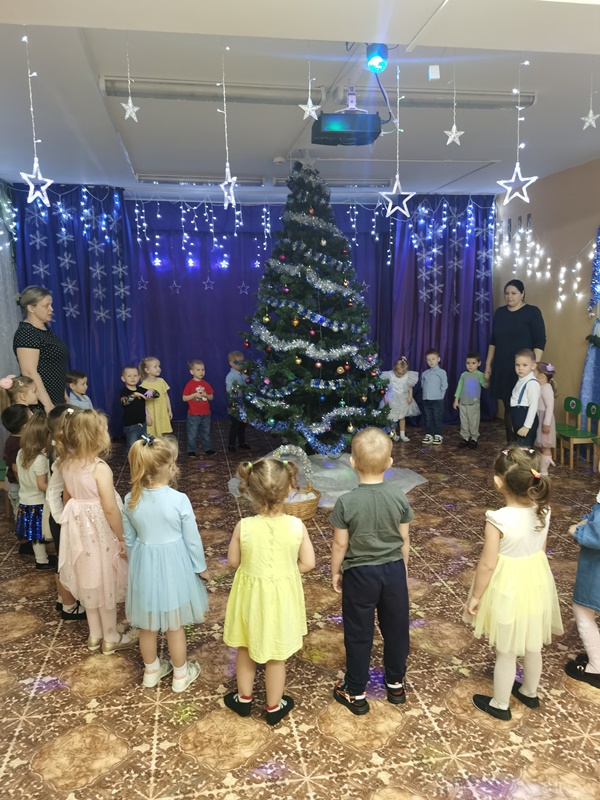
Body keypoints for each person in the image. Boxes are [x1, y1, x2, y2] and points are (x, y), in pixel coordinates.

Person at [464, 447, 563, 721]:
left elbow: (487, 565)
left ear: (498, 481)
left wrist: (476, 595)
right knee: (533, 643)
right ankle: (530, 691)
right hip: (536, 582)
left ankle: (499, 704)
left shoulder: (498, 519)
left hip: (508, 588)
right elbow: (540, 549)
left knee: (506, 651)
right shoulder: (544, 510)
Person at [223, 458, 315, 725]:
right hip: (282, 598)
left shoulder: (244, 526)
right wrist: (287, 572)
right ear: (289, 489)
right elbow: (309, 563)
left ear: (250, 491)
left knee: (245, 647)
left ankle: (244, 699)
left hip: (250, 598)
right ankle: (274, 707)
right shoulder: (297, 525)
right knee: (277, 654)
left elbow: (233, 561)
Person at [330, 427, 413, 715]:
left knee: (358, 632)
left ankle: (356, 691)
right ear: (390, 463)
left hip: (359, 574)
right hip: (393, 571)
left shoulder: (346, 502)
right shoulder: (399, 497)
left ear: (352, 463)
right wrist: (403, 570)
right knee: (397, 629)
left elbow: (340, 544)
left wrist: (336, 571)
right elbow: (404, 539)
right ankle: (395, 684)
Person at [123, 435, 210, 691]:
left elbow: (129, 540)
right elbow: (192, 540)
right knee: (175, 625)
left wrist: (137, 566)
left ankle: (151, 672)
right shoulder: (179, 499)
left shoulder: (130, 499)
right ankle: (180, 676)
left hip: (144, 567)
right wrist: (201, 568)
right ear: (170, 468)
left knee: (147, 626)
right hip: (175, 568)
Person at [55, 409, 131, 654]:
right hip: (100, 532)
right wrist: (121, 537)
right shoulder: (100, 468)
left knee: (89, 580)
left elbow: (67, 497)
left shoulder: (66, 463)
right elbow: (109, 508)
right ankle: (111, 637)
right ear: (96, 437)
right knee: (105, 580)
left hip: (79, 531)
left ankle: (95, 635)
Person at [485, 280, 546, 443]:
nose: (509, 296)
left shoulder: (532, 312)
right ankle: (511, 445)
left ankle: (524, 445)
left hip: (524, 369)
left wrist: (533, 367)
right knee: (509, 405)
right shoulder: (500, 313)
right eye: (506, 293)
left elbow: (540, 341)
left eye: (513, 293)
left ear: (522, 293)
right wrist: (488, 364)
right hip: (503, 366)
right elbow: (493, 341)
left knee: (523, 406)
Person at [46, 405, 86, 622]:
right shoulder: (63, 458)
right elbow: (57, 492)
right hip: (63, 517)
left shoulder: (59, 451)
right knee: (65, 562)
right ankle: (69, 606)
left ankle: (63, 599)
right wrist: (63, 519)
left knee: (63, 560)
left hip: (62, 515)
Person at [13, 286, 69, 411]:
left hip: (55, 398)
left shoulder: (45, 330)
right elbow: (29, 372)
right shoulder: (27, 332)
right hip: (40, 403)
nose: (51, 309)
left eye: (51, 305)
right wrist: (47, 404)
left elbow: (54, 365)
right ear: (31, 308)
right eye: (46, 306)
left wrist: (63, 392)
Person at [566, 493, 600, 689]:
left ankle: (596, 668)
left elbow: (597, 534)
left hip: (596, 571)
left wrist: (577, 531)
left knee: (583, 610)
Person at [15, 411, 54, 570]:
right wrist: (56, 490)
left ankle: (41, 558)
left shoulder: (21, 453)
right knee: (39, 534)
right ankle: (42, 561)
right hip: (38, 502)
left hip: (25, 499)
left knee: (35, 535)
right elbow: (41, 485)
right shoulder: (40, 459)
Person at [2, 404, 30, 529]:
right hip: (18, 486)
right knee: (21, 516)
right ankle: (24, 538)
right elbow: (15, 468)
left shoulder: (14, 439)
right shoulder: (16, 443)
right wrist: (25, 486)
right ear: (25, 426)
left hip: (19, 485)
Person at [453, 352, 488, 449]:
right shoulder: (464, 375)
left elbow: (485, 385)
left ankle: (474, 438)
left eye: (473, 363)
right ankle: (465, 438)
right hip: (463, 402)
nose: (470, 365)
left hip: (473, 403)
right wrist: (456, 400)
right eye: (468, 363)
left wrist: (487, 379)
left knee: (474, 421)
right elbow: (459, 387)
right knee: (464, 421)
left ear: (479, 363)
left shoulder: (479, 375)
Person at [380, 357, 419, 442]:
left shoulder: (408, 375)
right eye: (398, 373)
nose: (400, 375)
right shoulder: (389, 375)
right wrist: (385, 397)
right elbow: (385, 388)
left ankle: (402, 434)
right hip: (392, 399)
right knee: (392, 418)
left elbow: (410, 387)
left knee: (402, 417)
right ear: (395, 369)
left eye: (402, 374)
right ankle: (393, 434)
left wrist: (410, 397)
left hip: (403, 399)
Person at [183, 359, 216, 457]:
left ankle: (208, 448)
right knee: (192, 434)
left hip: (206, 414)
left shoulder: (206, 384)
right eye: (198, 370)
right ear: (192, 372)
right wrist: (194, 395)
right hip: (193, 414)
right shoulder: (189, 384)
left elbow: (211, 397)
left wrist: (207, 395)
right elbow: (184, 398)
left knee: (205, 433)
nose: (201, 372)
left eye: (203, 369)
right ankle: (191, 450)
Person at [510, 349, 541, 447]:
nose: (520, 368)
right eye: (517, 365)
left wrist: (527, 426)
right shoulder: (521, 380)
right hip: (518, 416)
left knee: (524, 448)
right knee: (519, 447)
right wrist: (515, 423)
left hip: (525, 416)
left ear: (533, 366)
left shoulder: (532, 383)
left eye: (524, 365)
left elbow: (533, 406)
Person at [120, 366, 152, 451]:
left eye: (135, 375)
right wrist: (134, 395)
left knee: (146, 445)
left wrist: (151, 391)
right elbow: (124, 402)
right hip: (131, 426)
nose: (133, 378)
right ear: (123, 378)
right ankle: (134, 459)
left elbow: (156, 394)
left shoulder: (141, 389)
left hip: (142, 424)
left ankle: (144, 458)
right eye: (129, 376)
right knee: (133, 447)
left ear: (139, 377)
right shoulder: (124, 391)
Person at [139, 357, 172, 437]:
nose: (158, 369)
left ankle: (162, 444)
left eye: (159, 366)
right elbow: (143, 402)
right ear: (147, 370)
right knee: (152, 435)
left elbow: (166, 396)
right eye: (155, 367)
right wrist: (147, 416)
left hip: (162, 412)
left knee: (162, 433)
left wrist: (169, 410)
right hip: (152, 414)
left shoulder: (161, 381)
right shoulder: (144, 385)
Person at [420, 349, 448, 445]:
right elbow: (423, 385)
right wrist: (425, 395)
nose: (431, 361)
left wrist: (440, 396)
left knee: (437, 417)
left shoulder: (442, 372)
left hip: (437, 400)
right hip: (426, 400)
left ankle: (438, 435)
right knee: (428, 418)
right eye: (428, 360)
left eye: (433, 359)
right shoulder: (425, 373)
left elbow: (444, 385)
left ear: (438, 359)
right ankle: (429, 434)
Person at [225, 351, 251, 454]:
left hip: (243, 402)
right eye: (238, 362)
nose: (241, 364)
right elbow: (229, 390)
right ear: (231, 363)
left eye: (242, 362)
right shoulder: (230, 376)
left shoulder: (243, 374)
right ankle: (231, 444)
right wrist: (235, 394)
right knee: (235, 424)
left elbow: (247, 383)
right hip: (235, 403)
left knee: (243, 424)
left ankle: (242, 442)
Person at [534, 362, 557, 476]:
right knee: (539, 445)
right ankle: (540, 466)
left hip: (544, 420)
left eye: (534, 372)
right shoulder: (540, 387)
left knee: (545, 445)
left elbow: (550, 406)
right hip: (539, 418)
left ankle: (544, 471)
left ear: (541, 375)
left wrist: (546, 423)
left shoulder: (546, 388)